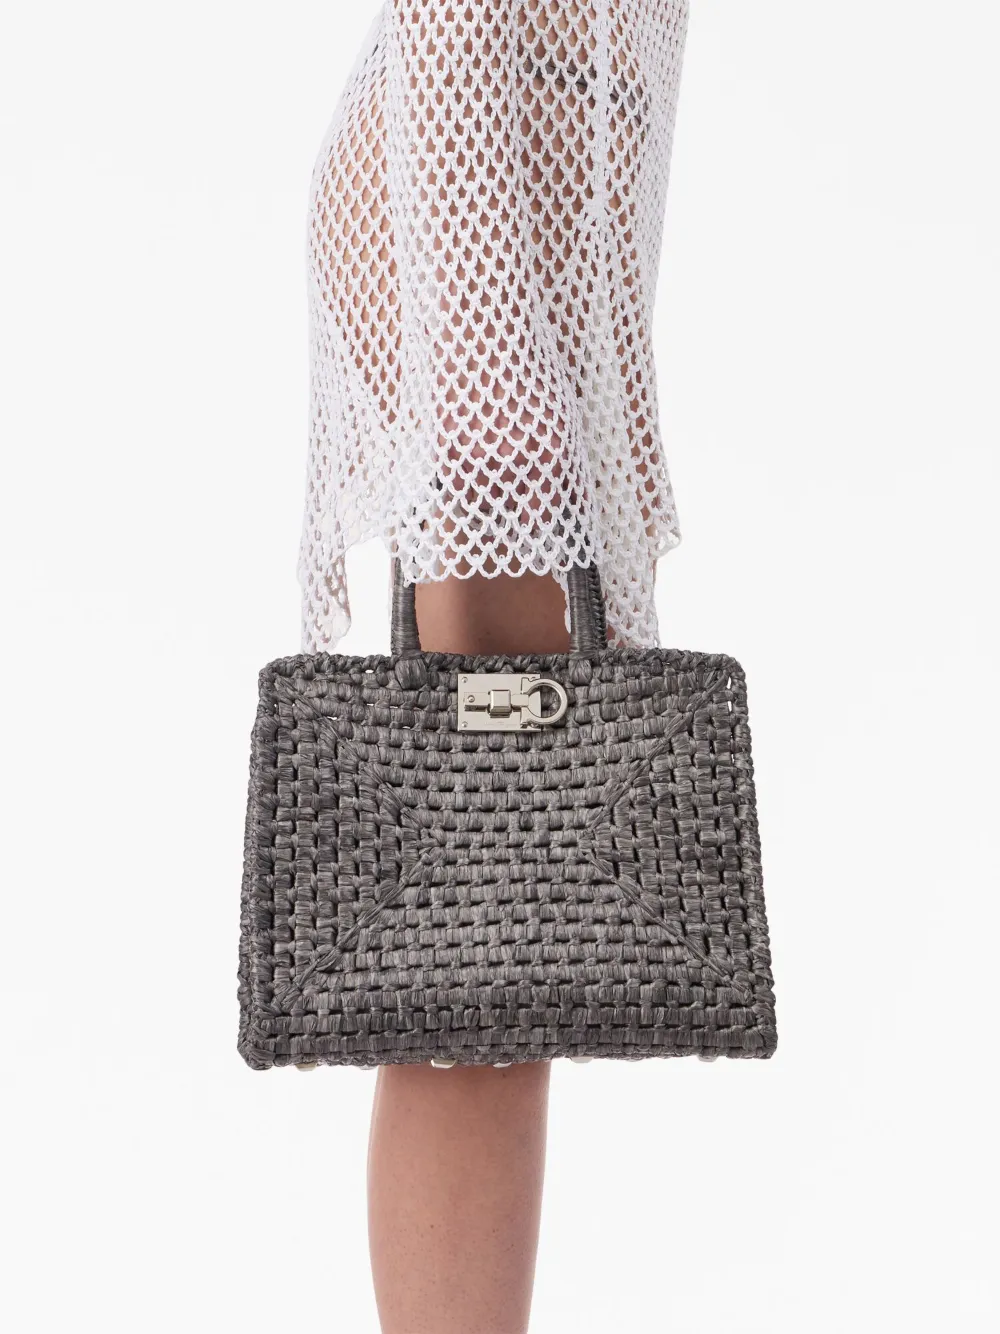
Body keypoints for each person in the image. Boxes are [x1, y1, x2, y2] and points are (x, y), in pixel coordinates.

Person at [297, 3, 690, 1330]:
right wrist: (495, 394)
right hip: (474, 221)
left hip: (519, 228)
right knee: (479, 967)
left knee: (490, 962)